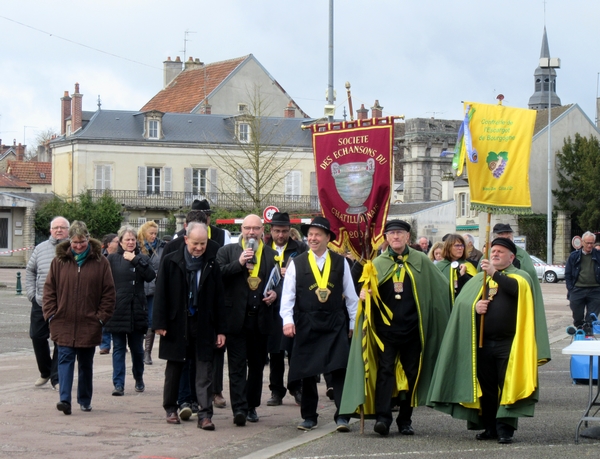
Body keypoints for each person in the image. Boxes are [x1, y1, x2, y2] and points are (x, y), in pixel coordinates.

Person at [427, 238, 550, 444]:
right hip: (483, 343)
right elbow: (463, 304)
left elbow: (515, 289)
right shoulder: (480, 279)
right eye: (493, 251)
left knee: (507, 386)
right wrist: (474, 308)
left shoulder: (520, 277)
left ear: (511, 257)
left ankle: (505, 429)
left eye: (500, 252)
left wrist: (494, 273)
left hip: (509, 344)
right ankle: (490, 427)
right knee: (488, 387)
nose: (495, 254)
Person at [340, 220, 451, 436]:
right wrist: (364, 295)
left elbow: (440, 287)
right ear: (387, 238)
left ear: (408, 237)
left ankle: (405, 419)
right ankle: (383, 418)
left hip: (413, 330)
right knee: (385, 372)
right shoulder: (377, 263)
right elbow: (365, 290)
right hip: (385, 332)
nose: (396, 237)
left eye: (400, 233)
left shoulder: (421, 260)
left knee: (411, 374)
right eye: (391, 234)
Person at [280, 216, 358, 432]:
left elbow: (351, 297)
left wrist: (353, 322)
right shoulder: (297, 263)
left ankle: (342, 416)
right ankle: (309, 417)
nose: (312, 238)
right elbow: (287, 297)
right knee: (307, 373)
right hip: (307, 322)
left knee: (339, 369)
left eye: (317, 235)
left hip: (335, 322)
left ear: (327, 238)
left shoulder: (341, 262)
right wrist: (287, 320)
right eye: (310, 235)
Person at [153, 222, 226, 429]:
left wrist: (221, 330)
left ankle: (204, 414)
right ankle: (170, 408)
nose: (199, 248)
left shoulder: (212, 263)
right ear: (186, 240)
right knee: (175, 367)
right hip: (177, 323)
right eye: (195, 243)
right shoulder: (170, 261)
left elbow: (219, 299)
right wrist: (159, 323)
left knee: (205, 369)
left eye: (203, 244)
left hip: (204, 323)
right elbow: (161, 294)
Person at [42, 221, 115, 414]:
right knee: (64, 360)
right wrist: (51, 315)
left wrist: (100, 318)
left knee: (85, 363)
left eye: (82, 241)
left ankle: (84, 399)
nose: (78, 246)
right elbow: (49, 290)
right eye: (74, 242)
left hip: (89, 323)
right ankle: (64, 400)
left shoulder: (101, 262)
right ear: (69, 241)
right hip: (63, 322)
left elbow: (109, 293)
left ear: (88, 238)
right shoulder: (59, 261)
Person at [216, 214, 279, 426]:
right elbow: (218, 276)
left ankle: (252, 405)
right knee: (236, 367)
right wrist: (239, 263)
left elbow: (278, 281)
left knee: (257, 366)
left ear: (263, 230)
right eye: (247, 228)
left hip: (260, 319)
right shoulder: (227, 252)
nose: (251, 232)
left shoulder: (271, 254)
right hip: (236, 319)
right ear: (241, 230)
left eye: (256, 228)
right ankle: (239, 409)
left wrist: (275, 294)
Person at [263, 212, 307, 407]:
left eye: (284, 231)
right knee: (275, 352)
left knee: (294, 350)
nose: (281, 235)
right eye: (277, 231)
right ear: (270, 231)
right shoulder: (263, 249)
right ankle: (276, 390)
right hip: (271, 308)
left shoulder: (300, 249)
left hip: (294, 308)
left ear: (290, 231)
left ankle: (296, 387)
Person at [106, 226, 156, 396]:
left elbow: (150, 276)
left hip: (137, 310)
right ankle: (118, 383)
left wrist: (135, 260)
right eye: (127, 239)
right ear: (120, 242)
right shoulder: (112, 259)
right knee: (119, 348)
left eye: (133, 239)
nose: (130, 242)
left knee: (137, 349)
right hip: (118, 310)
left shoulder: (142, 258)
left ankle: (139, 378)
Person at [26, 216, 70, 389]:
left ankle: (57, 378)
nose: (59, 230)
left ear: (68, 230)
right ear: (50, 230)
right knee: (37, 336)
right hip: (41, 302)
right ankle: (45, 371)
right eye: (55, 227)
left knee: (60, 340)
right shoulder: (40, 248)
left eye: (62, 227)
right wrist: (31, 294)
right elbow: (30, 271)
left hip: (63, 304)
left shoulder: (73, 249)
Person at [138, 221, 166, 365]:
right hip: (139, 287)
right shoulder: (137, 246)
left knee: (151, 319)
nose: (154, 236)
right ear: (144, 233)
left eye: (155, 233)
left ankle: (147, 352)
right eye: (151, 233)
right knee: (137, 318)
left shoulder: (162, 247)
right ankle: (136, 349)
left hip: (155, 286)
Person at [565, 231, 600, 334]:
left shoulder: (598, 255)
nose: (589, 245)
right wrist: (571, 288)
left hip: (595, 290)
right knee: (577, 316)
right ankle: (580, 329)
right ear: (582, 242)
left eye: (592, 243)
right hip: (578, 290)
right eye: (587, 242)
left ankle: (588, 333)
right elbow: (568, 274)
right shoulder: (574, 256)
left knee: (591, 318)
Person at [436, 234, 478, 304]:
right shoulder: (439, 266)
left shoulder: (470, 265)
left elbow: (474, 289)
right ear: (448, 247)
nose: (460, 248)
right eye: (457, 245)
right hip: (444, 305)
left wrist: (463, 275)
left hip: (462, 305)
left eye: (462, 245)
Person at [99, 233, 119, 355]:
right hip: (105, 290)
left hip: (118, 289)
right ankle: (105, 345)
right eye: (116, 241)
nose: (119, 243)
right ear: (108, 244)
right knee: (105, 316)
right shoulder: (101, 257)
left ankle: (119, 342)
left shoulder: (121, 256)